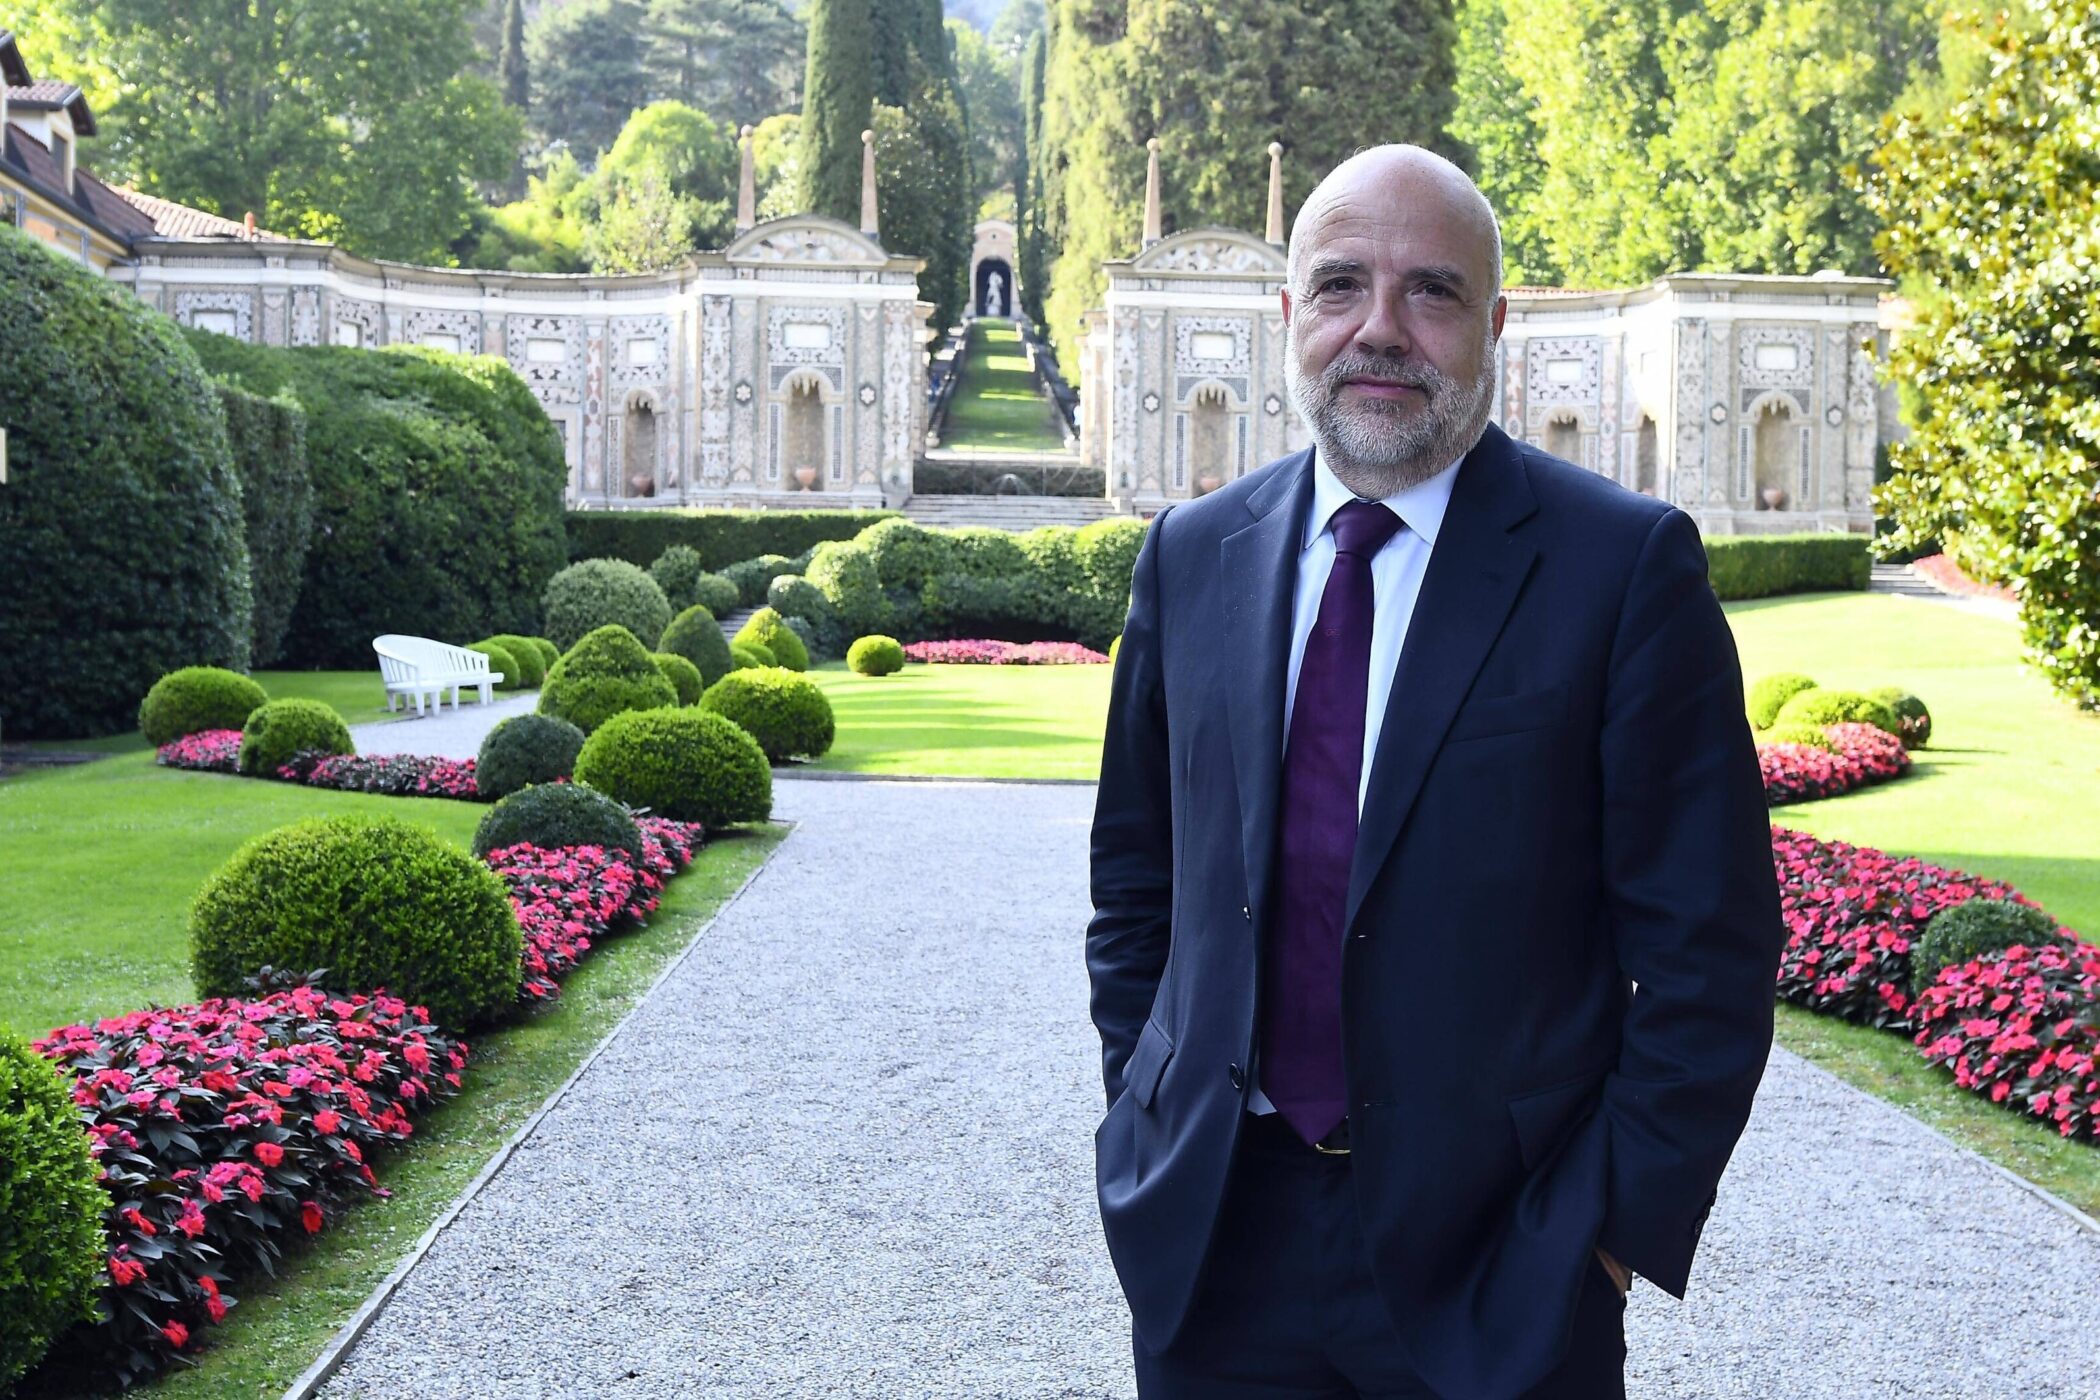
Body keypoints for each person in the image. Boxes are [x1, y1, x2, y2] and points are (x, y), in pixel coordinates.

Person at [1086, 144, 1783, 1399]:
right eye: (1341, 285)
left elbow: (1711, 947)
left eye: (1433, 291)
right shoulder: (1192, 555)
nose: (1381, 328)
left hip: (1503, 1265)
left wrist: (1606, 1231)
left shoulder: (1621, 569)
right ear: (1290, 313)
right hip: (1216, 1247)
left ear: (1496, 325)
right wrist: (1144, 1113)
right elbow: (1138, 885)